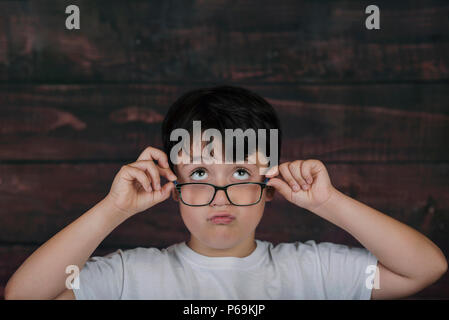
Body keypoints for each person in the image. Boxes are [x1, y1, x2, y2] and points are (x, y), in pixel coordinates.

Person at [5, 86, 447, 300]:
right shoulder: (130, 276)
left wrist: (328, 200)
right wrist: (111, 210)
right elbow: (23, 297)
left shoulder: (313, 269)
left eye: (239, 170)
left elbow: (424, 268)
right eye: (199, 171)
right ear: (172, 186)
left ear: (269, 185)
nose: (220, 193)